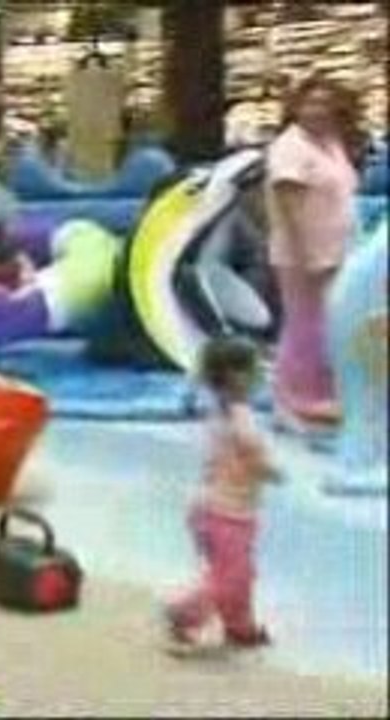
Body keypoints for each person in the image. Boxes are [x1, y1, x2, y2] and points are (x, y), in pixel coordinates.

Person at [165, 336, 282, 653]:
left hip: (210, 510)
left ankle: (240, 627)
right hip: (228, 515)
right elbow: (249, 447)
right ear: (238, 377)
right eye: (257, 368)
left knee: (238, 575)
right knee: (231, 578)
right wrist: (270, 470)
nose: (262, 374)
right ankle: (184, 613)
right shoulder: (240, 416)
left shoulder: (219, 411)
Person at [264, 75, 361, 429]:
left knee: (327, 324)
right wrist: (308, 255)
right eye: (311, 103)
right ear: (296, 107)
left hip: (337, 249)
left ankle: (319, 396)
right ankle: (288, 403)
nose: (318, 110)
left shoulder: (331, 143)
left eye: (325, 103)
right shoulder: (289, 147)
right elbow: (289, 207)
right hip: (302, 253)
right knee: (302, 325)